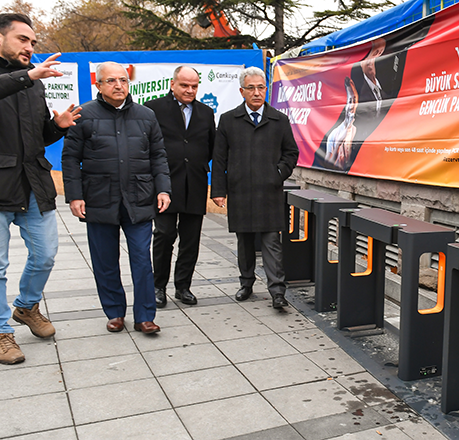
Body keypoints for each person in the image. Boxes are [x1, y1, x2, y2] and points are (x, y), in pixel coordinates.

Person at [0, 13, 81, 364]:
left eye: (33, 42)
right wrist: (26, 76)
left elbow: (35, 137)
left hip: (32, 183)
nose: (30, 47)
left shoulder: (32, 83)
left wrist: (57, 126)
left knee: (46, 254)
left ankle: (25, 307)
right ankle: (0, 334)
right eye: (23, 39)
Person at [62, 62, 171, 334]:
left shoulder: (146, 116)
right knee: (105, 260)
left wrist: (163, 188)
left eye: (122, 80)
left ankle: (145, 315)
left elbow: (158, 156)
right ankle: (115, 312)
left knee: (142, 261)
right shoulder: (83, 115)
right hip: (99, 199)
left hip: (139, 198)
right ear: (98, 85)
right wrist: (74, 196)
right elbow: (70, 159)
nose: (118, 85)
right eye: (111, 80)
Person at [211, 66, 298, 309]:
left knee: (272, 241)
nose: (257, 93)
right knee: (245, 241)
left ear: (266, 90)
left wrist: (278, 173)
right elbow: (219, 158)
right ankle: (246, 283)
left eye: (261, 87)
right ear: (242, 91)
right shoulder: (228, 120)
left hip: (269, 191)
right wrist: (218, 190)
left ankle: (277, 292)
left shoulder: (279, 120)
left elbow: (291, 153)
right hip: (241, 190)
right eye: (251, 88)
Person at [145, 66, 216, 308]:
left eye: (194, 86)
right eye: (184, 85)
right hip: (164, 185)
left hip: (195, 184)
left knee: (191, 239)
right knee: (164, 235)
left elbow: (210, 147)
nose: (189, 90)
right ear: (172, 84)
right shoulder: (153, 109)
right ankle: (158, 286)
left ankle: (183, 287)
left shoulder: (206, 113)